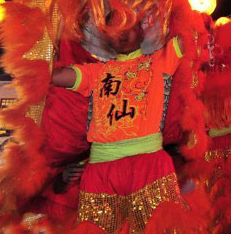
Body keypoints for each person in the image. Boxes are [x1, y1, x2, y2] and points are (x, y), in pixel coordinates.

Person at [51, 19, 187, 233]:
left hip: (149, 165)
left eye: (127, 25)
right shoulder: (95, 72)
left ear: (142, 32)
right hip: (101, 172)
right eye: (113, 29)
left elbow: (190, 33)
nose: (120, 33)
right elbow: (55, 77)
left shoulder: (161, 61)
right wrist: (42, 44)